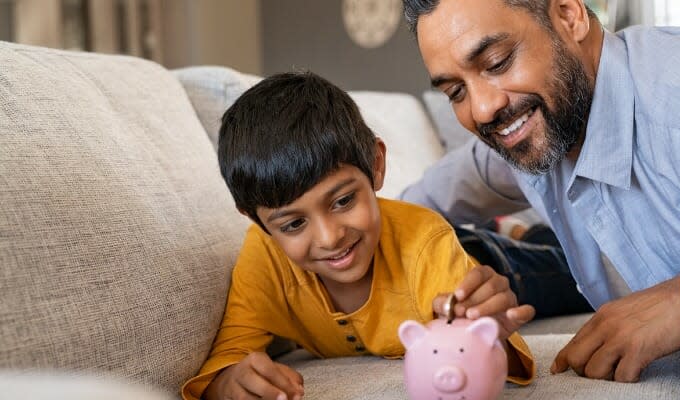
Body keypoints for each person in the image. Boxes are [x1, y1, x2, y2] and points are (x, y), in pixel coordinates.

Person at [400, 0, 680, 398]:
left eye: (499, 62)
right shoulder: (523, 133)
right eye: (456, 91)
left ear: (569, 15)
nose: (483, 109)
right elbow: (401, 214)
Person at [180, 71, 537, 400]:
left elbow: (487, 339)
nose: (329, 237)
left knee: (551, 266)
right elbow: (228, 358)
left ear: (376, 164)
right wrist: (228, 383)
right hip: (440, 241)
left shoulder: (425, 243)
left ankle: (519, 234)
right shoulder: (264, 259)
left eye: (343, 200)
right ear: (259, 223)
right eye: (293, 224)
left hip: (487, 261)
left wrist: (490, 332)